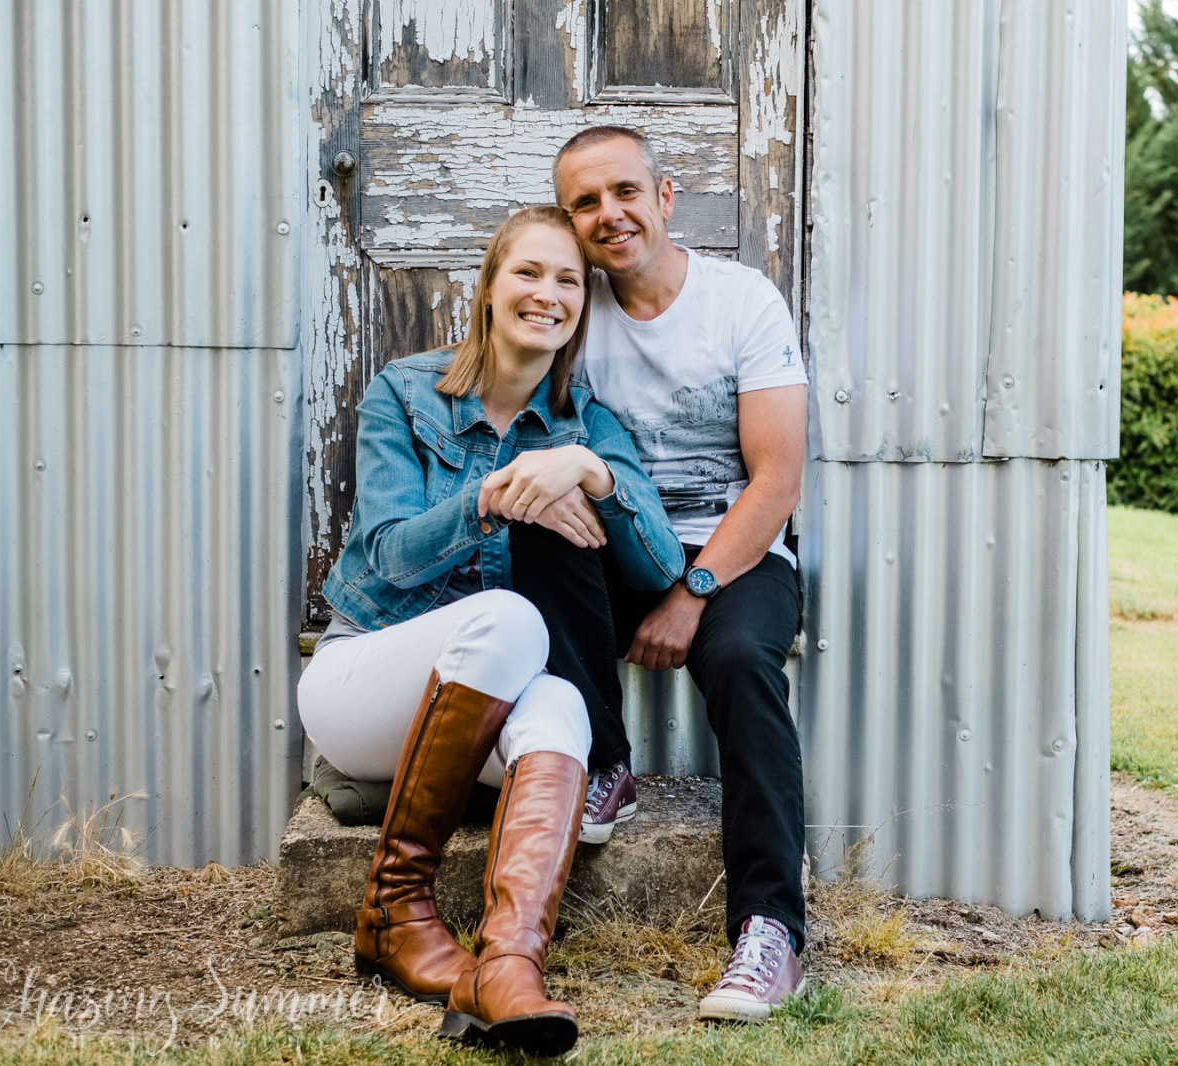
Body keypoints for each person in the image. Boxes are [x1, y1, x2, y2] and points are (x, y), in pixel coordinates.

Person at [296, 205, 684, 1056]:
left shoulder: (587, 422)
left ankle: (507, 965)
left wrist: (588, 471)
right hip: (364, 682)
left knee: (563, 710)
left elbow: (659, 566)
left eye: (569, 281)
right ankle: (397, 910)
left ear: (583, 305)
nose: (548, 294)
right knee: (511, 618)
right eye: (528, 273)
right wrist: (493, 497)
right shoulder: (405, 393)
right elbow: (390, 555)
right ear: (489, 287)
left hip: (487, 703)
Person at [550, 125, 812, 1021]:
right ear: (571, 222)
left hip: (735, 551)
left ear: (664, 197)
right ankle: (606, 764)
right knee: (543, 543)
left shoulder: (741, 302)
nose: (609, 214)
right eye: (585, 203)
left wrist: (692, 595)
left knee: (740, 662)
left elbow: (777, 482)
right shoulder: (570, 310)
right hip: (624, 542)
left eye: (625, 191)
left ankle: (771, 934)